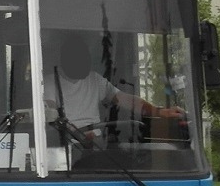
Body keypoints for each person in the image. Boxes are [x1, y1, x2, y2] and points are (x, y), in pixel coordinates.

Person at [44, 35, 184, 134]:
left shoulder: (95, 79)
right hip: (69, 146)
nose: (84, 62)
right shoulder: (49, 83)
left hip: (98, 145)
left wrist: (158, 111)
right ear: (64, 59)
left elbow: (125, 99)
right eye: (77, 57)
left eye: (85, 57)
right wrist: (80, 136)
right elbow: (52, 120)